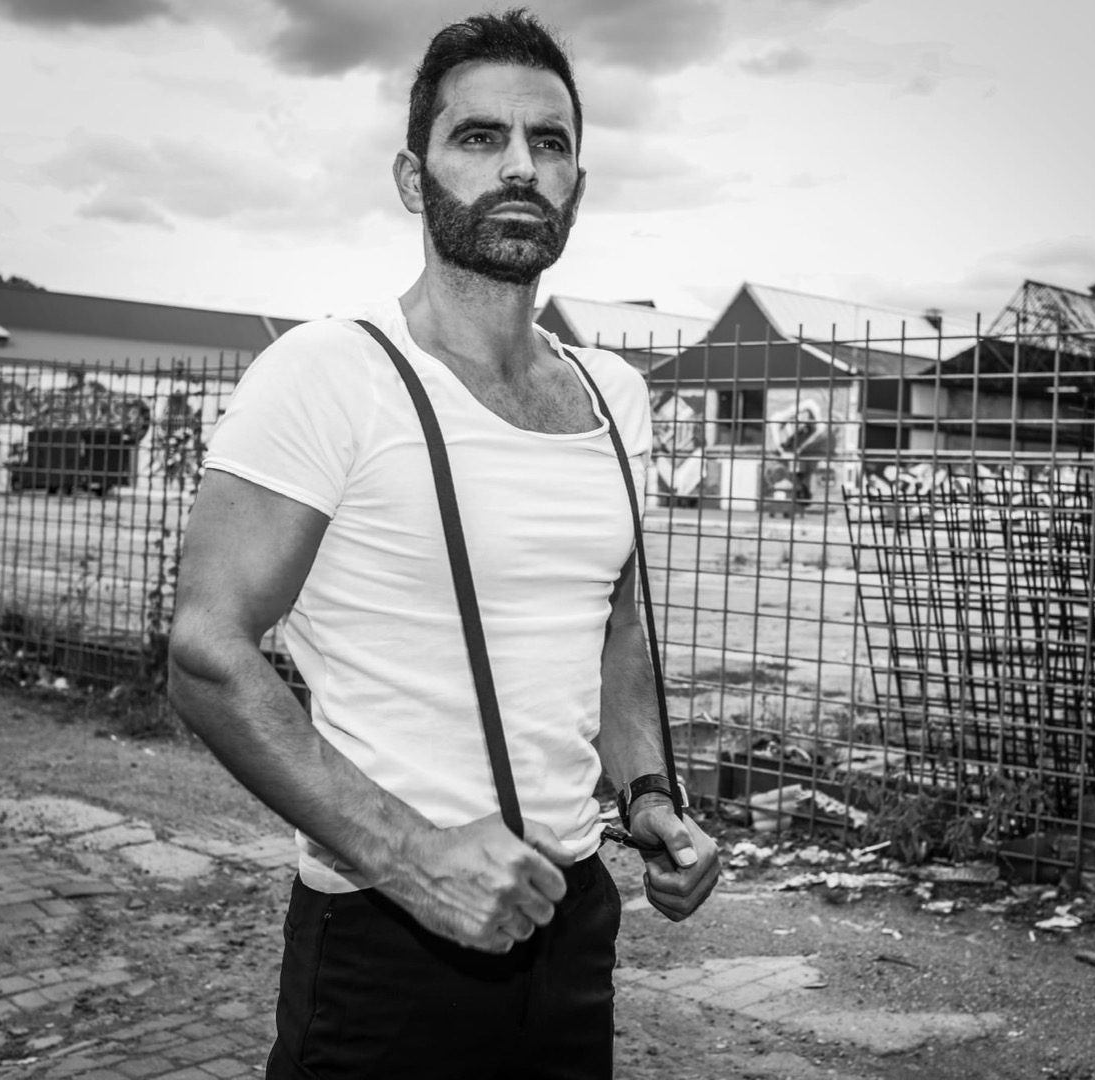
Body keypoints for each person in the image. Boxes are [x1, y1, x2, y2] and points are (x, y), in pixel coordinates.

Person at [167, 9, 720, 1078]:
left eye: (548, 142)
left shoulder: (613, 394)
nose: (519, 166)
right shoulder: (330, 373)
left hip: (571, 921)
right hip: (387, 932)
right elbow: (205, 652)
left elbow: (612, 629)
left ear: (576, 185)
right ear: (411, 178)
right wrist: (410, 858)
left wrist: (649, 796)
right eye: (478, 137)